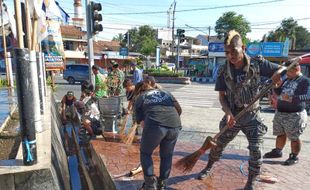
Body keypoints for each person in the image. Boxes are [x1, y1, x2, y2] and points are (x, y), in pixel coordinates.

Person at [197, 30, 285, 190]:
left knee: (256, 151)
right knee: (218, 145)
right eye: (226, 52)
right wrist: (228, 114)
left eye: (234, 51)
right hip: (232, 116)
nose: (230, 55)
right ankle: (208, 166)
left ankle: (251, 181)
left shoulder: (258, 64)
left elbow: (282, 70)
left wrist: (276, 77)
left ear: (243, 47)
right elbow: (222, 97)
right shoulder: (224, 70)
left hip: (252, 116)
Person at [135, 80, 182, 190]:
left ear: (139, 91)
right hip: (174, 125)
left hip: (156, 125)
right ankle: (162, 185)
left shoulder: (140, 97)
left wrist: (154, 128)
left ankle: (150, 186)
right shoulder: (166, 93)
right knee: (166, 156)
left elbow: (141, 122)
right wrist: (169, 121)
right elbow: (179, 110)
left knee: (145, 153)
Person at [263, 60, 309, 165]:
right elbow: (280, 93)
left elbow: (308, 96)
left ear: (296, 69)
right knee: (280, 133)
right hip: (281, 112)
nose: (286, 74)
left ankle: (294, 156)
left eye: (288, 72)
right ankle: (278, 150)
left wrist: (292, 99)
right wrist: (276, 86)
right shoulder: (287, 80)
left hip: (295, 114)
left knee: (294, 136)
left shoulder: (305, 81)